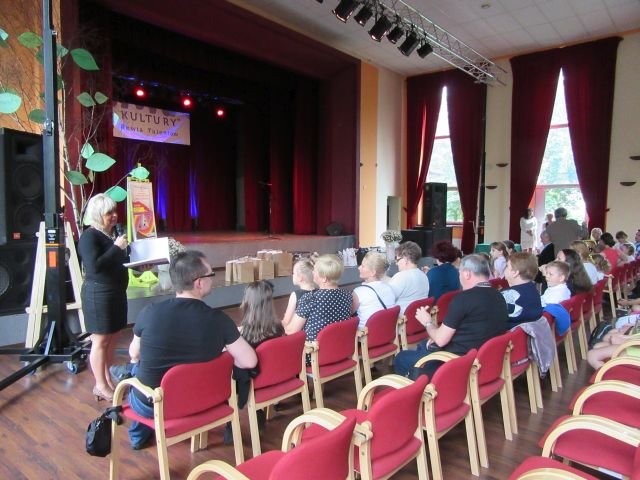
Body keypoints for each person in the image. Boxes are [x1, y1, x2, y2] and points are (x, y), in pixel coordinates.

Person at [124, 250, 257, 449]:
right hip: (204, 401)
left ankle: (137, 436)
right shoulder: (219, 320)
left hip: (155, 405)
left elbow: (134, 353)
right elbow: (249, 361)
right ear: (199, 283)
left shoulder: (149, 312)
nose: (212, 278)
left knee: (137, 371)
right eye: (211, 274)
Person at [393, 254, 508, 378]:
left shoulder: (463, 299)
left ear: (467, 274)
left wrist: (427, 322)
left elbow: (440, 340)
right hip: (487, 361)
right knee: (423, 344)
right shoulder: (499, 296)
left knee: (401, 357)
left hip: (457, 365)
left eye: (460, 272)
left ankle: (419, 387)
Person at [78, 194, 130, 402]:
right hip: (98, 294)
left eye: (115, 211)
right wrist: (117, 248)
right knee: (100, 341)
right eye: (109, 213)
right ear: (97, 215)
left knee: (113, 337)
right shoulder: (89, 237)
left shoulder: (113, 235)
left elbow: (121, 261)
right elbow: (94, 267)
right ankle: (100, 385)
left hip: (116, 293)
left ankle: (107, 379)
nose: (114, 215)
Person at [229, 280, 284, 443]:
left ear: (248, 303)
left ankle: (230, 423)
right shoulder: (278, 329)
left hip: (252, 382)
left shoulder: (246, 337)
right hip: (273, 377)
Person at [285, 254, 354, 342]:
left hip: (314, 349)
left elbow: (291, 331)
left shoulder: (310, 298)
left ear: (324, 278)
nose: (312, 272)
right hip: (341, 346)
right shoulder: (347, 295)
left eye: (315, 270)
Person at [353, 251, 396, 329]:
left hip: (365, 334)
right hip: (387, 331)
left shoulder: (358, 292)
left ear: (373, 272)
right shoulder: (389, 288)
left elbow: (349, 312)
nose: (359, 268)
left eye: (363, 266)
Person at [501, 252, 543, 327]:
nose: (504, 269)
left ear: (515, 273)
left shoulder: (507, 294)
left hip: (509, 333)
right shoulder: (533, 290)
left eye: (507, 266)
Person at [388, 241, 429, 314]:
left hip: (401, 318)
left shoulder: (401, 276)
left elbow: (386, 299)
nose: (396, 263)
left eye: (398, 260)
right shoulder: (424, 276)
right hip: (418, 317)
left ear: (406, 259)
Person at [282, 258, 316, 328]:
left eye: (293, 273)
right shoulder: (319, 292)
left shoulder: (295, 295)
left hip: (300, 332)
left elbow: (286, 321)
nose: (292, 275)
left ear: (300, 278)